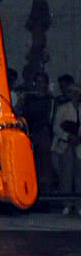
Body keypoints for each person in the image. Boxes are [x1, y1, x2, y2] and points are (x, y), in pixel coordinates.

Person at [51, 82, 81, 215]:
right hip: (65, 146)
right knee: (66, 175)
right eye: (72, 92)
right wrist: (67, 136)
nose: (75, 95)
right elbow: (56, 127)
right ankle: (66, 204)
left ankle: (79, 204)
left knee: (79, 176)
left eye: (77, 92)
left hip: (79, 146)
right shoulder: (63, 108)